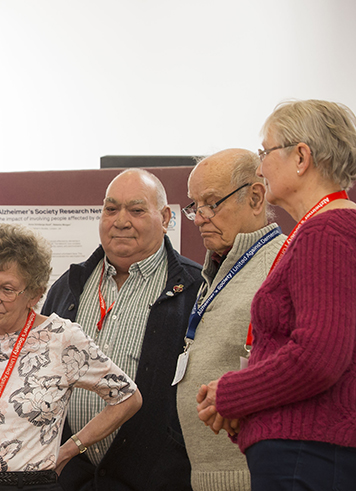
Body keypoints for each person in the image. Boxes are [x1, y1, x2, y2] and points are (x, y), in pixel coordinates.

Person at [197, 99, 356, 489]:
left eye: (265, 152)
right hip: (307, 452)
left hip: (307, 456)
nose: (260, 166)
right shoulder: (321, 229)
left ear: (301, 156)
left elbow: (319, 358)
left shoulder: (326, 232)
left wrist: (233, 393)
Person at [0, 224, 142, 491]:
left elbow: (127, 397)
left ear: (33, 294)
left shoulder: (61, 338)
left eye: (7, 289)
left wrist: (70, 449)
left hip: (30, 485)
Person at [41, 168, 202, 491]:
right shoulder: (68, 288)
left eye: (137, 210)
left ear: (166, 217)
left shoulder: (194, 288)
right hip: (72, 479)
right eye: (111, 209)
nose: (121, 220)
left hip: (157, 480)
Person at [175, 149, 286, 490]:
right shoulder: (215, 269)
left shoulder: (282, 263)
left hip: (253, 476)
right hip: (206, 477)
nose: (199, 217)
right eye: (195, 205)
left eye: (212, 203)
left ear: (255, 197)